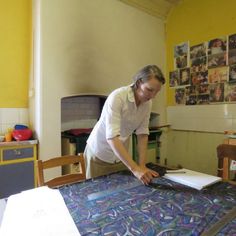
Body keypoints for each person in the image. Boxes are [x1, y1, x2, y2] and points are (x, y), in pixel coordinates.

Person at [84, 65, 165, 185]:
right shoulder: (117, 97)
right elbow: (112, 137)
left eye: (156, 92)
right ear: (138, 83)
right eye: (149, 90)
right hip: (99, 154)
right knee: (96, 197)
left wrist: (142, 165)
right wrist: (135, 169)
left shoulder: (147, 103)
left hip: (121, 156)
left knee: (119, 194)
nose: (152, 96)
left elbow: (142, 133)